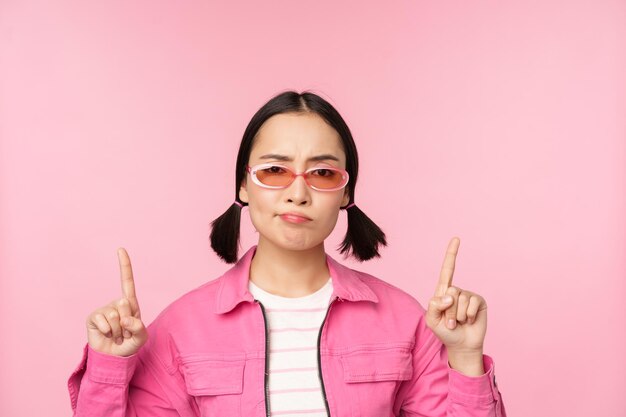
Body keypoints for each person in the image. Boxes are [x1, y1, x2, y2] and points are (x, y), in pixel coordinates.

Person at [67, 90, 507, 417]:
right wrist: (108, 366)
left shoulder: (406, 319)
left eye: (322, 172)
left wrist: (466, 359)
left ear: (346, 191)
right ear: (242, 184)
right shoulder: (180, 328)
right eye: (275, 170)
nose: (298, 193)